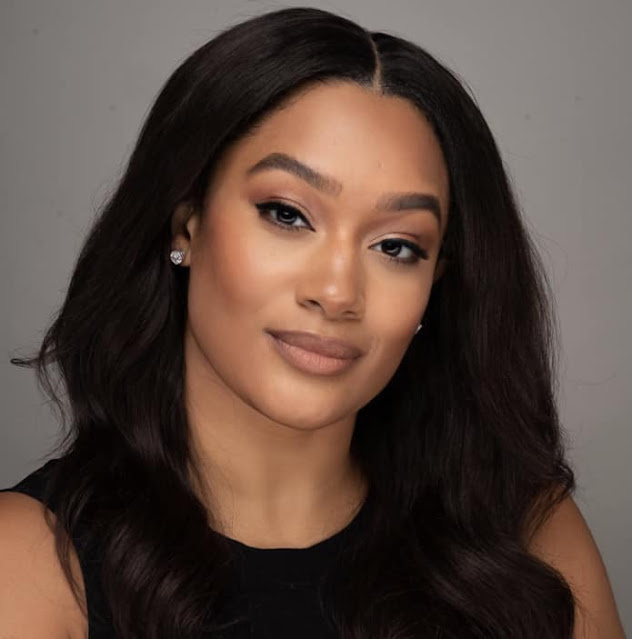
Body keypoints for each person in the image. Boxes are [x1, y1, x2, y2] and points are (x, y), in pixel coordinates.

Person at [0, 6, 625, 639]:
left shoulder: (527, 540)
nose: (336, 292)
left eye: (396, 246)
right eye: (287, 214)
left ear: (436, 284)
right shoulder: (29, 564)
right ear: (186, 224)